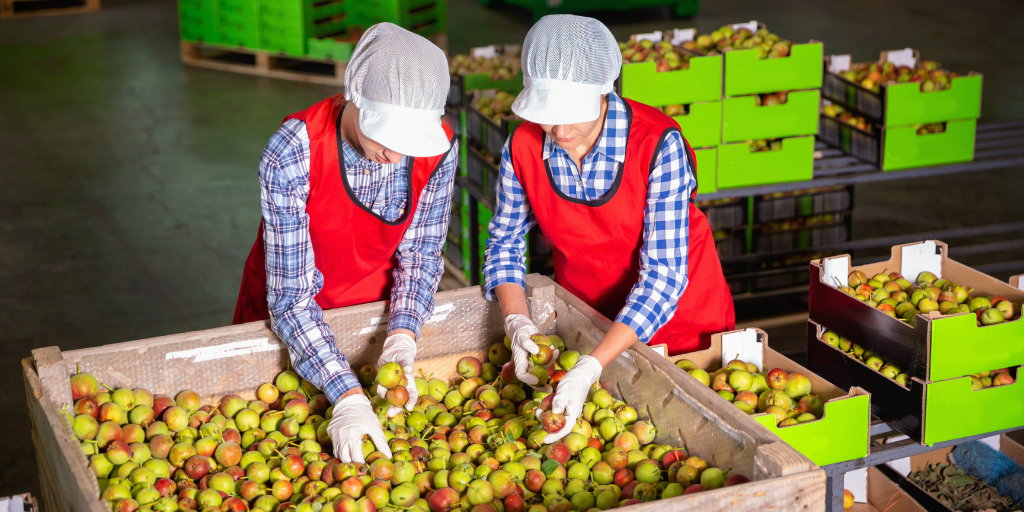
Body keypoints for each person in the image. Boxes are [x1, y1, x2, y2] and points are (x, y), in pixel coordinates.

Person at [483, 15, 735, 443]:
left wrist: (590, 368)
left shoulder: (656, 144)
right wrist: (517, 323)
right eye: (548, 116)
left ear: (604, 90)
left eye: (572, 116)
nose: (560, 132)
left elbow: (663, 279)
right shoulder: (522, 146)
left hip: (683, 330)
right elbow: (505, 243)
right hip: (589, 324)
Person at [231, 23, 458, 462]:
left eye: (407, 143)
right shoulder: (294, 152)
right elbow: (292, 299)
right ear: (355, 92)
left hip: (372, 313)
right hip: (286, 321)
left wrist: (402, 335)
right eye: (385, 135)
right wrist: (348, 396)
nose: (395, 156)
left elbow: (421, 254)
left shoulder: (439, 147)